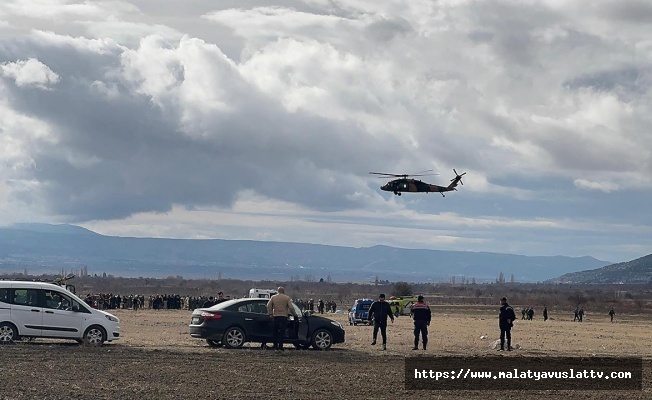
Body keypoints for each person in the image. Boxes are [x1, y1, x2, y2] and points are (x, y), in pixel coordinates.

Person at [266, 287, 297, 351]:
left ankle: (275, 346)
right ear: (283, 291)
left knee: (275, 332)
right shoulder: (287, 298)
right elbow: (291, 307)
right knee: (282, 332)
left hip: (276, 316)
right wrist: (294, 314)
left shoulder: (273, 297)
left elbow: (268, 305)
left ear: (277, 291)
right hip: (283, 317)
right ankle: (280, 346)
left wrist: (270, 313)